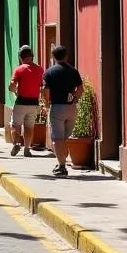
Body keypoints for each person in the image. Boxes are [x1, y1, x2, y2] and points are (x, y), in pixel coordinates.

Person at [42, 45, 84, 178]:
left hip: (57, 107)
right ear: (66, 56)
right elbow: (80, 89)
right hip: (71, 108)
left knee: (57, 138)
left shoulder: (49, 72)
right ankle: (61, 161)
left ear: (53, 57)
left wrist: (47, 103)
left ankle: (62, 166)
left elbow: (46, 91)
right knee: (65, 137)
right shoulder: (74, 71)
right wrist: (74, 100)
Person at [9, 45, 44, 158]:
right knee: (29, 127)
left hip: (21, 102)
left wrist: (14, 90)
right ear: (32, 56)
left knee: (15, 125)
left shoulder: (19, 69)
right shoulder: (40, 69)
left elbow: (12, 85)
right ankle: (27, 149)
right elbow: (42, 86)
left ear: (20, 57)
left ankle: (16, 143)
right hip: (34, 102)